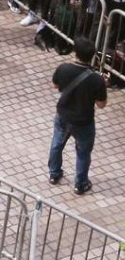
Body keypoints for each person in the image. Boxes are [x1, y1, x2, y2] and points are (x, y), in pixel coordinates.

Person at [48, 37, 107, 195]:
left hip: (63, 116)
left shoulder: (63, 68)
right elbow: (101, 105)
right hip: (84, 122)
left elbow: (55, 85)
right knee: (83, 152)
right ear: (92, 56)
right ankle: (80, 184)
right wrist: (102, 87)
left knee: (56, 144)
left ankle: (54, 175)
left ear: (75, 52)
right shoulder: (97, 79)